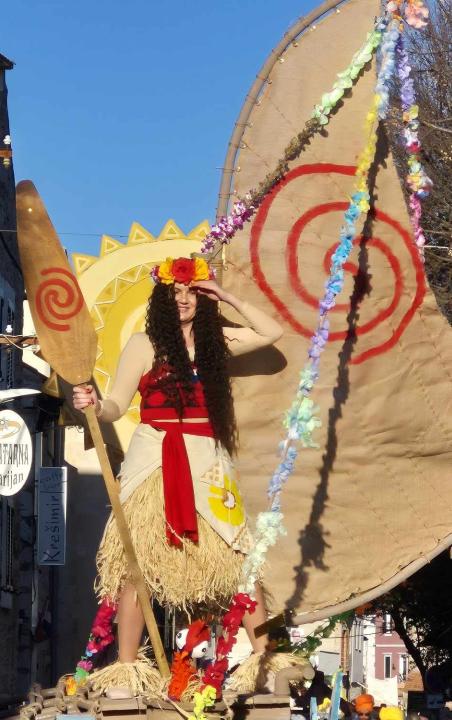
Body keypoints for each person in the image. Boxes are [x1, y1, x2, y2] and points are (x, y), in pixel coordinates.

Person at [72, 257, 284, 693]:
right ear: (163, 300)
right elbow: (116, 405)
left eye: (192, 292)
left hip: (208, 458)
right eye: (176, 293)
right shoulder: (143, 345)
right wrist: (92, 403)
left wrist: (225, 295)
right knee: (137, 563)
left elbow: (271, 333)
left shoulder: (218, 342)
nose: (184, 300)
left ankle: (265, 662)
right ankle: (127, 673)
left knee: (241, 558)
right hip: (153, 456)